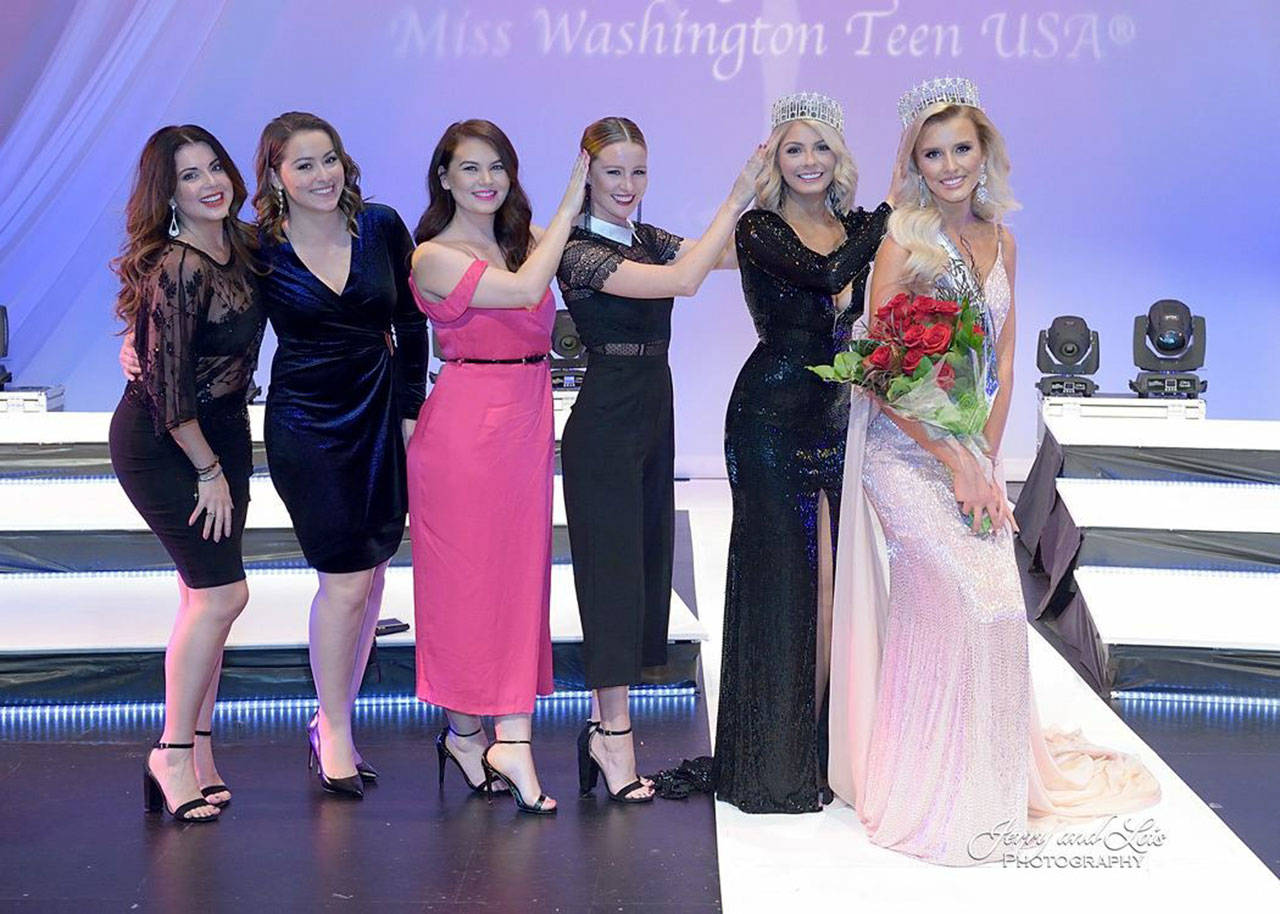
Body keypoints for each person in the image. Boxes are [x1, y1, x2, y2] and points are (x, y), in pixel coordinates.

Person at [828, 77, 1159, 865]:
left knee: (1002, 608)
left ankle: (993, 776)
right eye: (932, 152)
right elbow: (877, 368)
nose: (948, 166)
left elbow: (1005, 360)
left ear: (985, 154)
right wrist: (949, 459)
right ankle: (930, 783)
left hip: (972, 455)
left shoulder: (1006, 241)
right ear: (915, 161)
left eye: (961, 149)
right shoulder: (902, 242)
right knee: (961, 603)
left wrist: (984, 459)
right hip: (904, 456)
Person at [555, 117, 763, 803]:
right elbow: (683, 280)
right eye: (613, 171)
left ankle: (600, 725)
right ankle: (614, 736)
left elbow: (725, 258)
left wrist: (787, 204)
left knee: (642, 571)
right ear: (586, 172)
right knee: (612, 577)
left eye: (638, 172)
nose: (627, 186)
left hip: (654, 411)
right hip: (606, 422)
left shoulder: (645, 237)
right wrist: (734, 197)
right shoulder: (577, 249)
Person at [714, 93, 892, 814]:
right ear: (775, 161)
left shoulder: (852, 227)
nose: (809, 161)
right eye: (795, 149)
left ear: (837, 155)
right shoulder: (761, 227)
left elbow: (863, 303)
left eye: (821, 147)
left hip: (835, 414)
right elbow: (825, 278)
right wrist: (884, 220)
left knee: (831, 588)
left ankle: (819, 751)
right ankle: (772, 765)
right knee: (783, 582)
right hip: (769, 417)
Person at [408, 119, 587, 815]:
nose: (487, 181)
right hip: (466, 429)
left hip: (525, 419)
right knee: (466, 588)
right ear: (445, 177)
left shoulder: (523, 240)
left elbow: (595, 266)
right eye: (472, 168)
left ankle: (488, 735)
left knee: (517, 582)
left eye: (499, 168)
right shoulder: (433, 255)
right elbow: (518, 295)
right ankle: (479, 731)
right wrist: (570, 204)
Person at [254, 111, 427, 798]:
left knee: (374, 574)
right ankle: (333, 727)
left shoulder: (381, 225)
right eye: (304, 165)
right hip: (306, 420)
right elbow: (223, 319)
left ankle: (334, 719)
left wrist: (412, 410)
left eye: (329, 159)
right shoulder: (255, 247)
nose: (322, 175)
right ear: (275, 175)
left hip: (381, 410)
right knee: (347, 580)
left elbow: (411, 320)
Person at [109, 125, 265, 822]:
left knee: (203, 596)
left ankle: (199, 748)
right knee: (221, 596)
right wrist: (208, 473)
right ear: (167, 193)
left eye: (214, 168)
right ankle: (171, 753)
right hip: (167, 441)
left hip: (225, 432)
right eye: (190, 176)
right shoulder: (178, 265)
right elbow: (169, 397)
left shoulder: (245, 246)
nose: (210, 183)